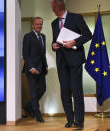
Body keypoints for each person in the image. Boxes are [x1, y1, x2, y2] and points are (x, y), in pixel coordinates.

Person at [51, 0, 92, 129]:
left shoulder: (76, 17)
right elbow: (55, 41)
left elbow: (88, 35)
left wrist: (74, 42)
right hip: (61, 62)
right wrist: (53, 45)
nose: (52, 8)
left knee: (77, 91)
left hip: (75, 60)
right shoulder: (53, 23)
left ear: (58, 6)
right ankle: (70, 120)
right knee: (65, 92)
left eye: (52, 6)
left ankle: (79, 122)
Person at [22, 17, 48, 122]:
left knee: (42, 89)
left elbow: (43, 54)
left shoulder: (43, 36)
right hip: (31, 69)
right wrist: (31, 67)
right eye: (37, 24)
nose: (39, 26)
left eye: (41, 24)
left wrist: (45, 66)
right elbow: (25, 54)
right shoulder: (27, 37)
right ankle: (37, 114)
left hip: (41, 68)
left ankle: (28, 106)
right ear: (32, 25)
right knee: (33, 93)